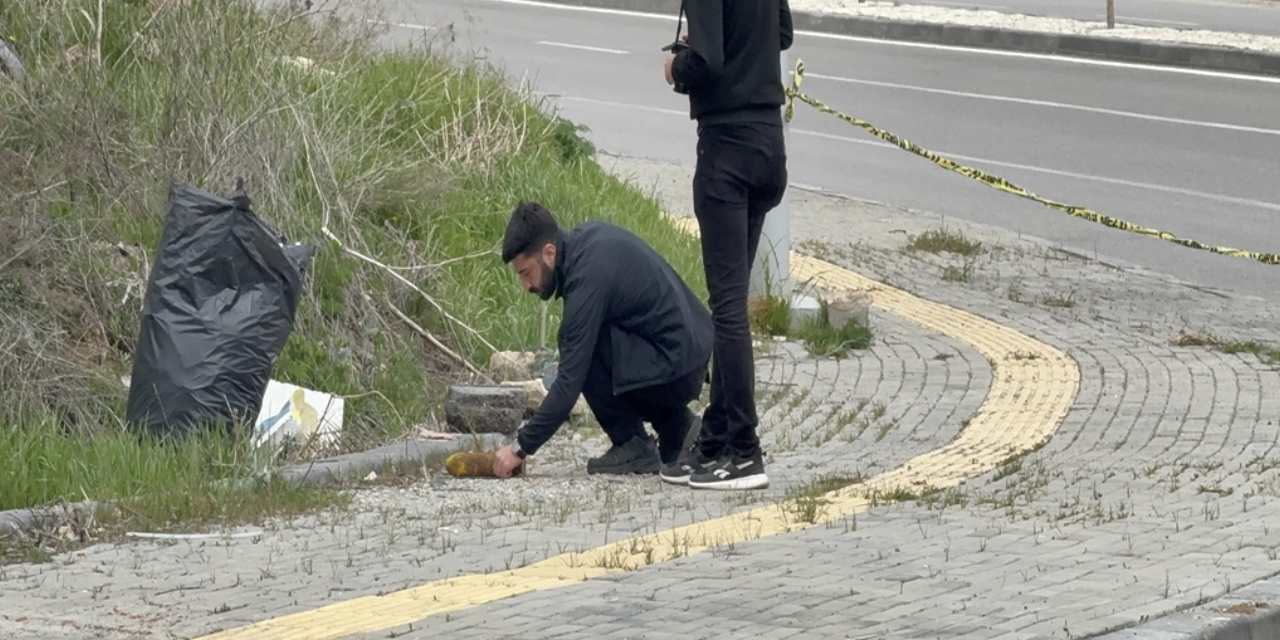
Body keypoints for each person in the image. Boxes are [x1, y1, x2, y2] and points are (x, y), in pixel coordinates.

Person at [661, 0, 792, 490]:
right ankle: (714, 439)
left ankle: (744, 449)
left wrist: (676, 66)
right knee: (731, 305)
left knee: (729, 307)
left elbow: (707, 59)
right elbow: (782, 33)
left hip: (727, 150)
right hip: (768, 146)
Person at [492, 202, 712, 481]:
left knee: (582, 348)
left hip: (679, 365)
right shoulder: (587, 244)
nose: (526, 287)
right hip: (686, 354)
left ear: (549, 253)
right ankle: (678, 430)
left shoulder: (587, 279)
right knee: (584, 339)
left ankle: (633, 443)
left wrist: (519, 448)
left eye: (526, 273)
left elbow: (569, 382)